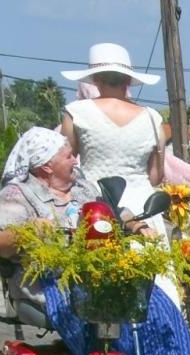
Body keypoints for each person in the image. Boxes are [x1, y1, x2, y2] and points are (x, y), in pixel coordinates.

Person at [0, 127, 190, 355]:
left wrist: (138, 226)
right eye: (67, 156)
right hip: (50, 279)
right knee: (91, 307)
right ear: (46, 166)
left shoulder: (82, 188)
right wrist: (26, 233)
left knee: (154, 302)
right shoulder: (17, 194)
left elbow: (114, 211)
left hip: (100, 272)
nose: (75, 160)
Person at [60, 44, 166, 227]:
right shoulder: (152, 118)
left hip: (96, 203)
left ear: (96, 80)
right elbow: (156, 176)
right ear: (128, 81)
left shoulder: (77, 112)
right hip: (142, 207)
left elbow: (64, 163)